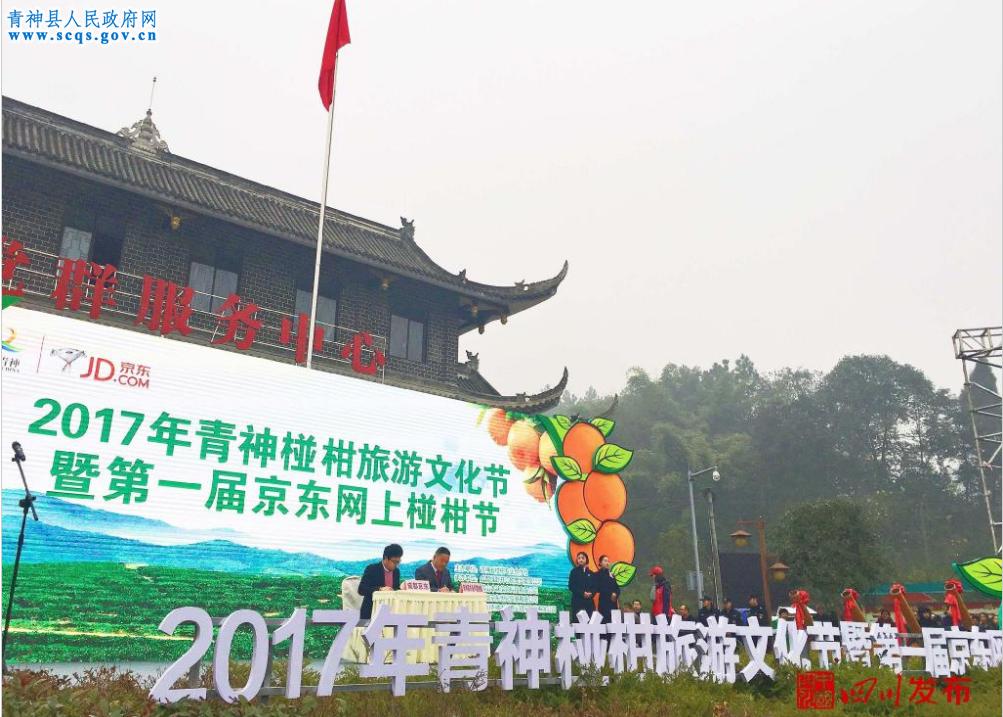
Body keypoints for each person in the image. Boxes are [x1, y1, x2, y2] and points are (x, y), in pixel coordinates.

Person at [358, 543, 402, 620]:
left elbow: (395, 589)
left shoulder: (396, 572)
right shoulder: (372, 569)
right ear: (386, 558)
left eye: (398, 562)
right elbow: (361, 589)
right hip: (371, 612)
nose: (396, 565)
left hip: (390, 611)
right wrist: (380, 589)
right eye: (394, 562)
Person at [594, 554, 620, 625]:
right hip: (604, 603)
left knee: (614, 625)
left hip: (613, 603)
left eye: (608, 561)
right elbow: (599, 588)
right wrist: (611, 594)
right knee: (604, 625)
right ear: (600, 563)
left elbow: (617, 588)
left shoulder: (611, 575)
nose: (607, 563)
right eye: (605, 561)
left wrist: (616, 594)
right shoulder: (597, 574)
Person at [568, 551, 595, 617]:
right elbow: (571, 586)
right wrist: (582, 593)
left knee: (589, 621)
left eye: (583, 558)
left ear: (586, 560)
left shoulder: (591, 573)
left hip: (589, 603)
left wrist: (591, 593)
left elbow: (595, 587)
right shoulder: (574, 572)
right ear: (577, 560)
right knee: (577, 622)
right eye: (579, 558)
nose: (581, 560)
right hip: (577, 602)